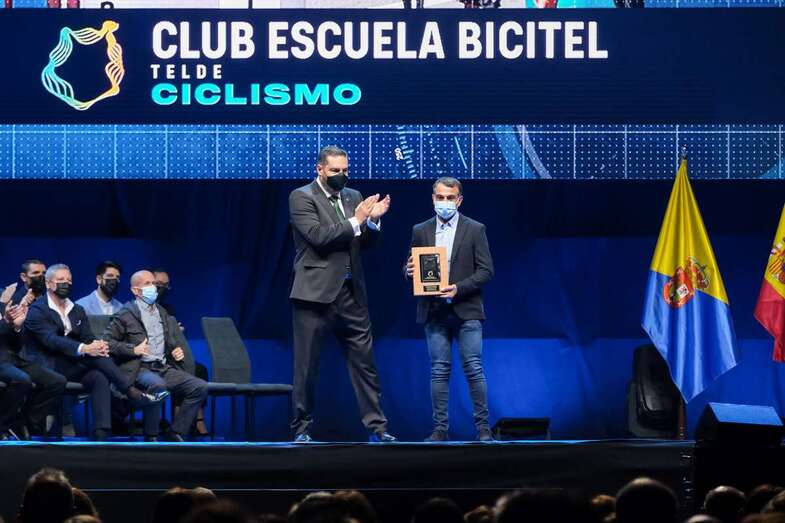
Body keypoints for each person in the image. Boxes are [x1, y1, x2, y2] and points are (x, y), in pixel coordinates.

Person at [288, 145, 395, 443]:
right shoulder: (301, 196)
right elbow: (319, 238)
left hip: (351, 293)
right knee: (306, 367)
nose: (342, 176)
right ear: (320, 169)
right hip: (314, 295)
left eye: (346, 171)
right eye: (335, 171)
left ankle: (378, 428)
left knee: (365, 363)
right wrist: (358, 220)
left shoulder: (354, 197)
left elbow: (366, 244)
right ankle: (302, 428)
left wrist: (373, 221)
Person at [23, 264, 164, 440]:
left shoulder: (77, 310)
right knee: (95, 358)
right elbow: (51, 340)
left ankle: (101, 432)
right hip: (48, 365)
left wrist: (98, 345)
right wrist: (84, 348)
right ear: (48, 283)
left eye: (69, 280)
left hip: (72, 364)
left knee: (99, 374)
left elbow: (88, 337)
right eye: (60, 280)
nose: (66, 283)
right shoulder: (38, 309)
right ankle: (130, 391)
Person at [405, 177, 494, 442]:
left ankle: (483, 429)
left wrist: (459, 288)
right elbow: (412, 266)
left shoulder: (475, 229)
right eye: (440, 197)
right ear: (433, 198)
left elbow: (486, 270)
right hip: (434, 312)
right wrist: (408, 271)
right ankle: (440, 430)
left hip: (467, 310)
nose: (445, 202)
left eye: (450, 198)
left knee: (473, 368)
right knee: (439, 370)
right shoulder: (420, 230)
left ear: (459, 200)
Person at [102, 270, 208, 442]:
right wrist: (132, 349)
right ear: (136, 291)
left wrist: (174, 351)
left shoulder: (162, 312)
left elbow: (168, 341)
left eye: (154, 283)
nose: (154, 287)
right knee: (158, 386)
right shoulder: (126, 314)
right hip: (139, 369)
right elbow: (106, 342)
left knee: (200, 387)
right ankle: (151, 436)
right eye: (148, 284)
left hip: (162, 367)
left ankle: (176, 431)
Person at [0, 300, 65, 439]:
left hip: (14, 359)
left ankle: (25, 421)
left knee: (56, 381)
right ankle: (3, 425)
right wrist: (6, 322)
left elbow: (15, 346)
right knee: (22, 380)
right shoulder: (4, 315)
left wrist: (17, 327)